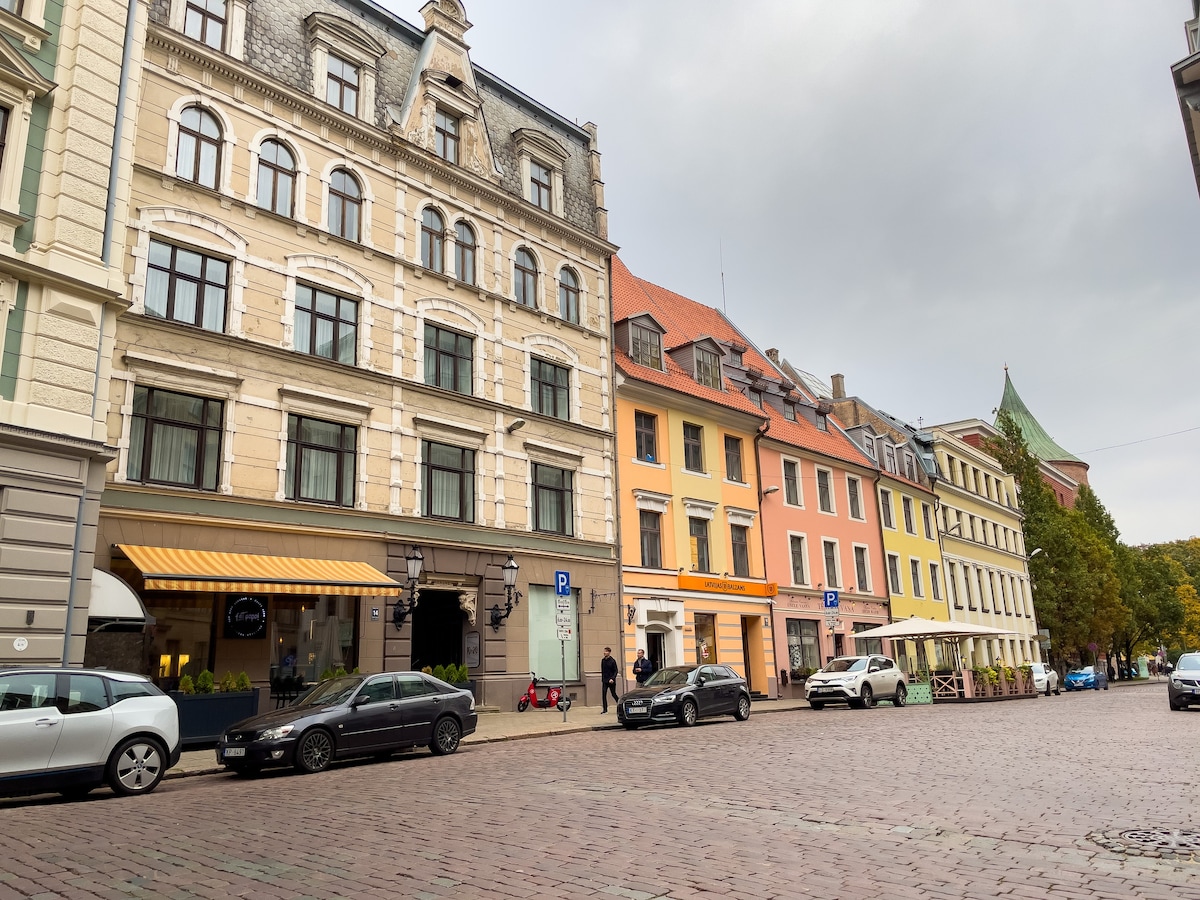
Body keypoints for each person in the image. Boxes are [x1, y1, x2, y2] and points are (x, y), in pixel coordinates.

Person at [600, 647, 619, 713]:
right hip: (605, 680)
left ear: (609, 652)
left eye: (606, 651)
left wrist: (612, 678)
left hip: (611, 681)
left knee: (613, 694)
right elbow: (603, 671)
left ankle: (619, 704)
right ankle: (605, 709)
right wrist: (603, 679)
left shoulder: (612, 661)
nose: (604, 652)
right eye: (604, 651)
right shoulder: (603, 660)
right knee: (603, 694)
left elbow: (616, 671)